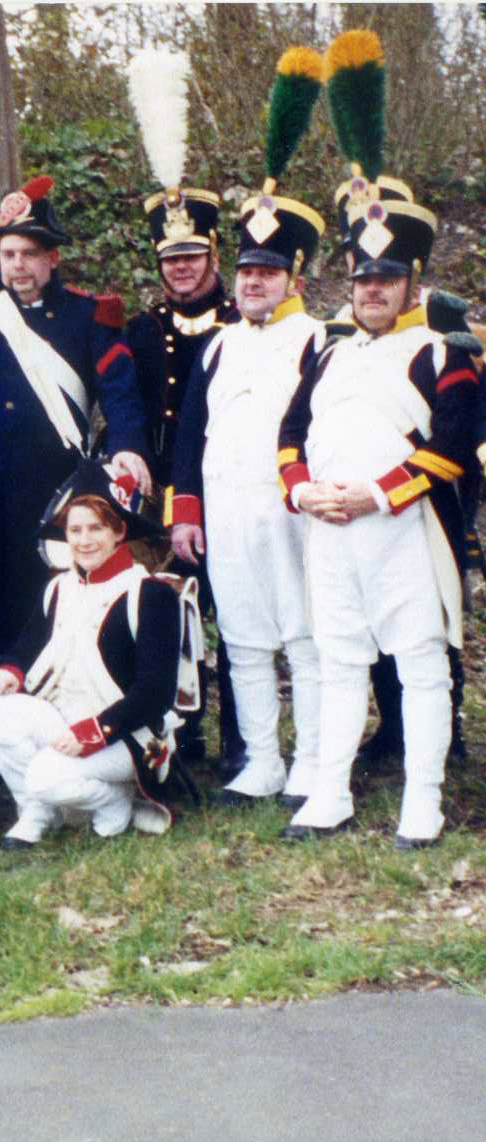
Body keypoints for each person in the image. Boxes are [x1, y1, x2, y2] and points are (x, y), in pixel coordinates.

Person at [278, 186, 479, 848]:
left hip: (406, 528)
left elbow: (452, 446)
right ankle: (328, 793)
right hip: (329, 530)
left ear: (410, 282)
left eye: (386, 279)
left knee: (419, 662)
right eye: (362, 278)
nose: (371, 290)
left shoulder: (443, 350)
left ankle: (422, 803)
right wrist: (300, 492)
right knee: (339, 662)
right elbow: (289, 432)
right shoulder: (329, 354)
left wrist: (381, 494)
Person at [0, 176, 150, 678]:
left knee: (58, 602)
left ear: (52, 258)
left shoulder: (88, 316)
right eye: (9, 254)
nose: (19, 266)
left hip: (60, 492)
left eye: (30, 254)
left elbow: (119, 393)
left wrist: (128, 449)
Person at [168, 172, 327, 806]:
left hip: (293, 513)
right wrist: (185, 511)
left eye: (267, 272)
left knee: (306, 637)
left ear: (294, 278)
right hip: (226, 515)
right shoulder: (216, 346)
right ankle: (263, 760)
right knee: (243, 639)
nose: (253, 282)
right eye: (245, 272)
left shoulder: (319, 339)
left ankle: (314, 759)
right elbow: (189, 437)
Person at [122, 51, 245, 774]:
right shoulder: (140, 330)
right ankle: (181, 737)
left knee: (236, 616)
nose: (181, 269)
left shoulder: (241, 322)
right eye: (170, 259)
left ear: (212, 254)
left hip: (226, 484)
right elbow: (128, 407)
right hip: (161, 487)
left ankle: (239, 739)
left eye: (192, 256)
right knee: (169, 617)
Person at [0, 460, 183, 847]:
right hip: (66, 718)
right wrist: (11, 671)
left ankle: (114, 801)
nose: (84, 541)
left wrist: (95, 732)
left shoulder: (150, 594)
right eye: (75, 529)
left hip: (130, 733)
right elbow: (26, 647)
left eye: (96, 528)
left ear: (119, 532)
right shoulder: (58, 588)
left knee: (42, 776)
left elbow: (156, 692)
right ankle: (35, 813)